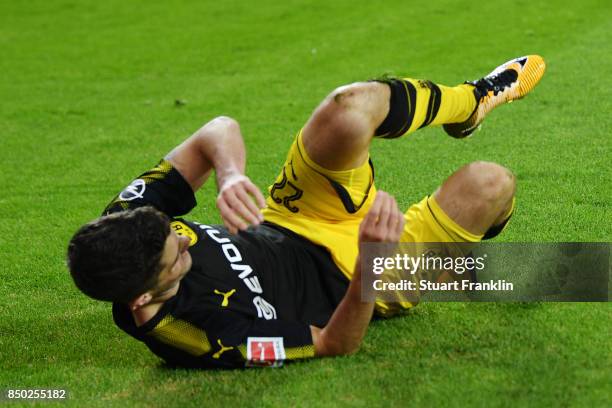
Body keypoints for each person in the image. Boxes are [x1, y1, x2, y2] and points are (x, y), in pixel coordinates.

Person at [67, 55, 546, 368]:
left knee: (349, 107)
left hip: (291, 217)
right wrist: (371, 262)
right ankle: (453, 259)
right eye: (178, 253)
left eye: (176, 230)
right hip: (355, 280)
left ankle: (471, 101)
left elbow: (218, 128)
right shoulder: (201, 335)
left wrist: (230, 173)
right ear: (143, 298)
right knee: (491, 183)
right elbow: (334, 342)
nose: (187, 236)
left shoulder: (128, 223)